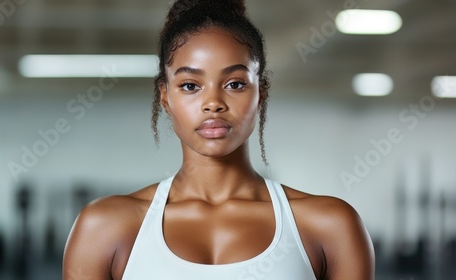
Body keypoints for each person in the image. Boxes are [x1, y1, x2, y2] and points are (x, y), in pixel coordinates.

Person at [63, 0, 375, 279]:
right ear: (165, 97)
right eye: (189, 86)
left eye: (235, 84)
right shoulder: (103, 228)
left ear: (261, 93)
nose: (213, 102)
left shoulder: (330, 226)